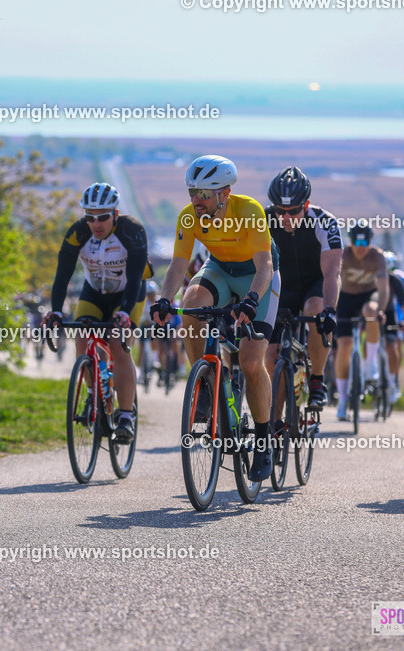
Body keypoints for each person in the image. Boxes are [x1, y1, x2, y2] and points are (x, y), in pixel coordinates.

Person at [151, 155, 280, 481]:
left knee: (252, 363)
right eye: (192, 191)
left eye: (204, 194)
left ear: (225, 193)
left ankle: (263, 440)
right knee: (190, 303)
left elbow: (265, 265)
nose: (196, 200)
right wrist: (164, 300)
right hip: (220, 270)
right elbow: (179, 266)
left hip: (258, 277)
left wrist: (251, 301)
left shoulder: (248, 211)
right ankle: (206, 383)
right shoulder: (189, 216)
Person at [45, 183, 149, 443]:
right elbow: (62, 277)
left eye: (102, 217)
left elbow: (136, 275)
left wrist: (125, 313)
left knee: (117, 344)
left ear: (115, 214)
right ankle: (93, 395)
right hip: (94, 293)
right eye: (90, 217)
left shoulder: (131, 230)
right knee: (82, 335)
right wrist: (56, 311)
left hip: (128, 294)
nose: (96, 223)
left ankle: (126, 416)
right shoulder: (77, 233)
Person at [264, 166, 342, 410]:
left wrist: (329, 310)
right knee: (271, 359)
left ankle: (317, 379)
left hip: (314, 284)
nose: (286, 217)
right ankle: (274, 432)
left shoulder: (325, 222)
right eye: (280, 211)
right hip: (280, 287)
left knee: (316, 309)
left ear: (306, 205)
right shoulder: (262, 220)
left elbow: (332, 273)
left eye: (294, 211)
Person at [333, 223, 389, 421]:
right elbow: (332, 279)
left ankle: (370, 364)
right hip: (345, 299)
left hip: (368, 296)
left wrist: (381, 309)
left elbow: (383, 289)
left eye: (365, 241)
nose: (361, 246)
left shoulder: (377, 256)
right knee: (344, 345)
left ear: (370, 242)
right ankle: (342, 400)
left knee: (372, 311)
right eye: (357, 241)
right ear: (351, 241)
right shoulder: (343, 255)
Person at [383, 251, 404, 404]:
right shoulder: (373, 278)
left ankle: (394, 380)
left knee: (396, 345)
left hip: (396, 314)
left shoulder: (399, 279)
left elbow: (403, 303)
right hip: (382, 314)